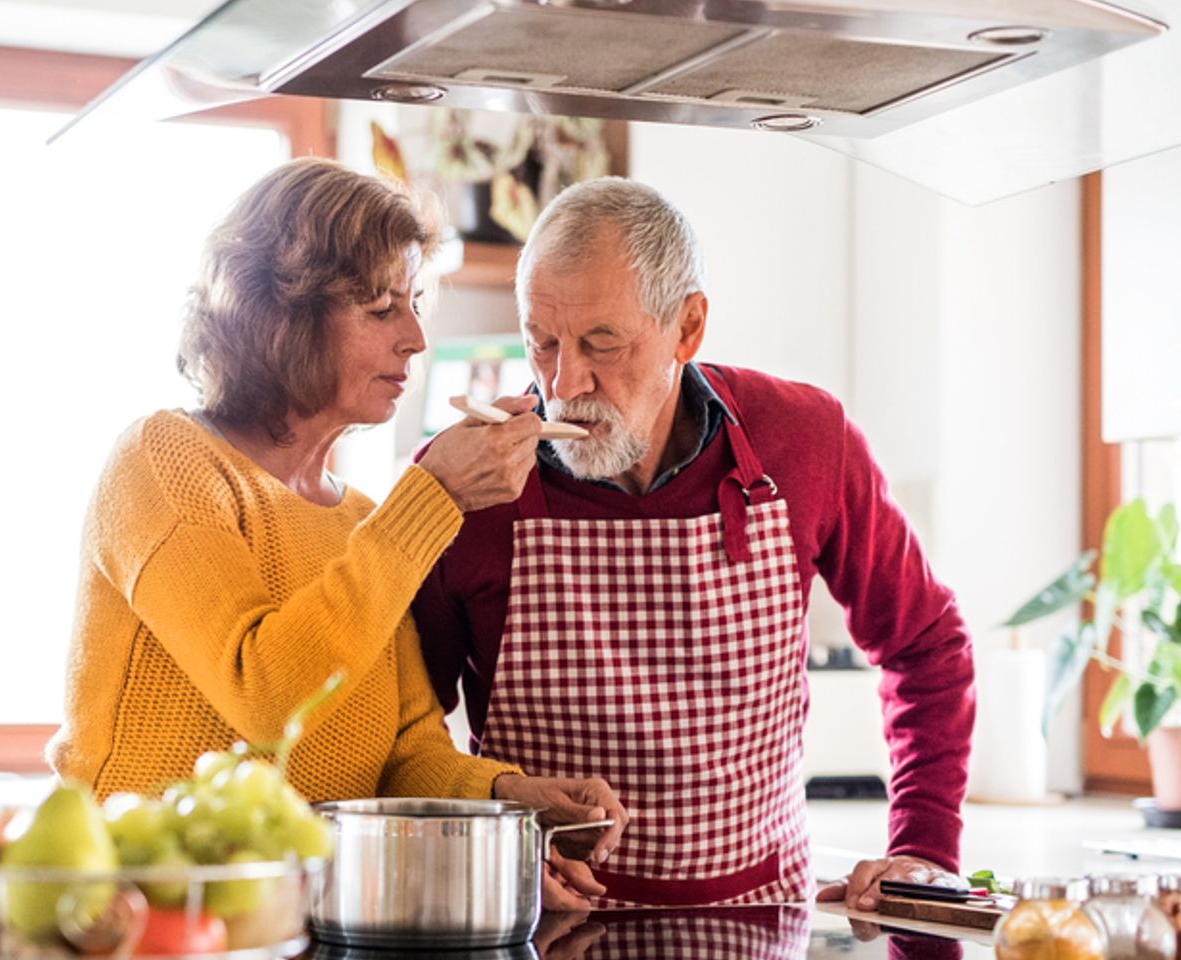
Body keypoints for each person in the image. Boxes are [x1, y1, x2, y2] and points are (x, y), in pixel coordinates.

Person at [46, 158, 627, 880]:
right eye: (381, 309)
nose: (415, 337)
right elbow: (268, 695)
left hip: (307, 922)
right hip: (142, 917)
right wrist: (433, 498)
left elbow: (409, 755)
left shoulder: (361, 519)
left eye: (413, 302)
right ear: (277, 317)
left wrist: (511, 801)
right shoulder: (164, 462)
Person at [413, 177, 975, 911]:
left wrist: (925, 847)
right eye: (541, 341)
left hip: (761, 921)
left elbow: (928, 645)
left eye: (601, 343)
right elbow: (406, 732)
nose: (562, 382)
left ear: (688, 328)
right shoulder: (464, 485)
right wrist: (488, 843)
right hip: (539, 926)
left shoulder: (805, 439)